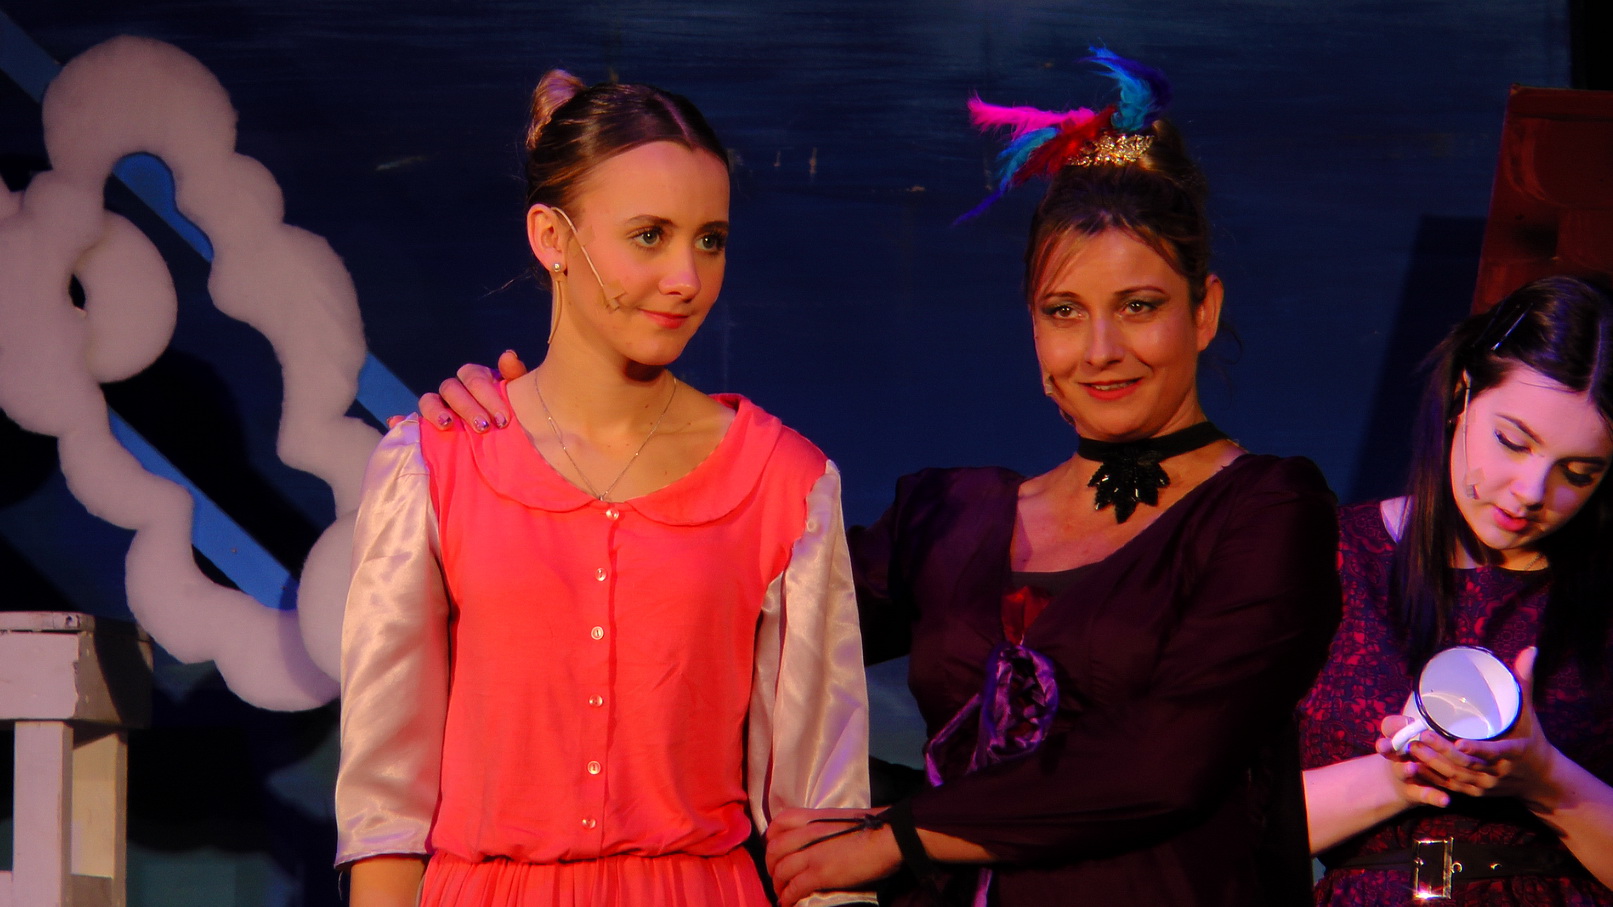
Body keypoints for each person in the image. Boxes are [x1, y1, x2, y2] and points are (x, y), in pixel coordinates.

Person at [423, 52, 1342, 906]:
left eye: (1138, 307)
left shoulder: (1266, 512)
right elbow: (693, 625)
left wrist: (899, 835)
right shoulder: (949, 519)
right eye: (1064, 311)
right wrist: (547, 436)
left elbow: (1163, 761)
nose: (1100, 348)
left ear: (1203, 310)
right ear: (1030, 326)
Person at [335, 70, 871, 907]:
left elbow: (820, 818)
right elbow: (385, 806)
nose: (686, 278)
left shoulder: (786, 482)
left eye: (710, 240)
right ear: (552, 237)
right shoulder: (434, 463)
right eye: (649, 236)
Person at [1299, 275, 1613, 905]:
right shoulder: (1329, 556)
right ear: (1462, 394)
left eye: (1578, 473)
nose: (1531, 492)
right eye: (1512, 442)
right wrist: (1400, 774)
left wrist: (1544, 777)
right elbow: (1232, 827)